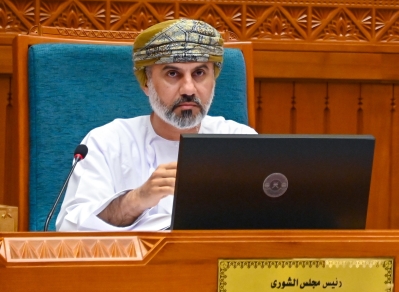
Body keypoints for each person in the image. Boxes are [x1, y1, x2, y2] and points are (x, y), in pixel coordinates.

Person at [56, 19, 256, 231]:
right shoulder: (106, 143)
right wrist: (137, 199)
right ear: (146, 83)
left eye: (199, 73)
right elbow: (70, 229)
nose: (189, 89)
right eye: (173, 74)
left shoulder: (240, 141)